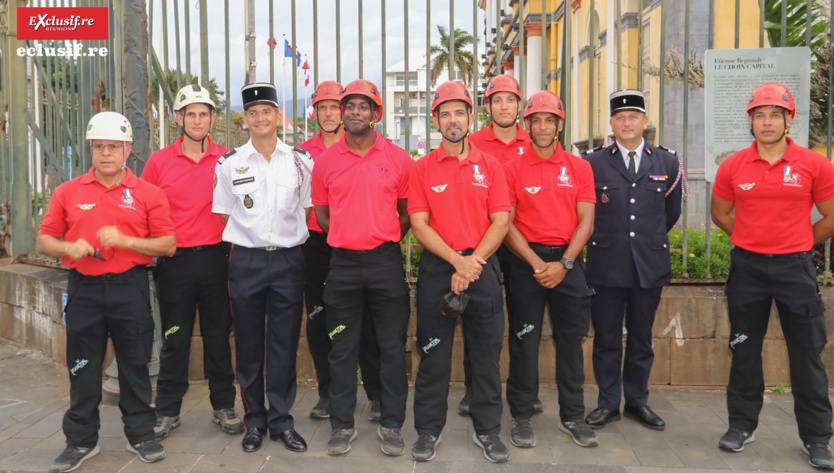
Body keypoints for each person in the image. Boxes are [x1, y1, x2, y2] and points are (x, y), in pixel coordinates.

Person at [39, 111, 175, 472]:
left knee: (134, 365)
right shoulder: (67, 192)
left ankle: (142, 434)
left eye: (114, 146)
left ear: (128, 149)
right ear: (91, 149)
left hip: (129, 288)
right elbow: (44, 239)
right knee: (82, 366)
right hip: (84, 289)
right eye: (99, 146)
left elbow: (168, 245)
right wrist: (69, 248)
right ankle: (80, 441)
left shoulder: (148, 193)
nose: (106, 153)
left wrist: (126, 240)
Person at [711, 82, 834, 470]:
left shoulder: (814, 164)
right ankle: (740, 426)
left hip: (795, 269)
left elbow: (831, 215)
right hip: (748, 269)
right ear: (750, 120)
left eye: (774, 115)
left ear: (788, 119)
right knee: (744, 349)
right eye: (759, 115)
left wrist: (799, 243)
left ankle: (816, 438)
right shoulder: (733, 165)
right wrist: (749, 239)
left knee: (807, 355)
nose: (766, 122)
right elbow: (720, 213)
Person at [409, 81, 511, 463]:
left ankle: (488, 432)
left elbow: (501, 221)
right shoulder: (422, 169)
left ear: (471, 116)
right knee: (432, 355)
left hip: (482, 266)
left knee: (485, 356)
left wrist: (471, 265)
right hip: (440, 267)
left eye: (459, 112)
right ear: (436, 119)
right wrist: (457, 262)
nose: (453, 120)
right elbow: (419, 224)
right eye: (445, 113)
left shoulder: (491, 166)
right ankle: (427, 432)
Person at [311, 79, 412, 457]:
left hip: (385, 264)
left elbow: (405, 215)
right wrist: (350, 236)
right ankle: (341, 425)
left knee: (390, 346)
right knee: (342, 347)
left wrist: (381, 237)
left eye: (362, 106)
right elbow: (322, 216)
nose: (354, 112)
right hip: (343, 267)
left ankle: (392, 425)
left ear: (375, 114)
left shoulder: (398, 158)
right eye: (348, 105)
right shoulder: (326, 162)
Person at [212, 82, 311, 454]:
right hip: (247, 260)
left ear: (276, 115)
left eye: (266, 110)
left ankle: (282, 421)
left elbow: (306, 206)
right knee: (250, 344)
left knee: (284, 344)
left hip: (287, 259)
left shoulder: (301, 161)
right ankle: (254, 420)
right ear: (245, 119)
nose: (260, 118)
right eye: (253, 113)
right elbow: (223, 211)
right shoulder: (230, 163)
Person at [143, 84, 242, 441]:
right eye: (190, 114)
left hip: (218, 259)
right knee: (175, 338)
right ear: (178, 118)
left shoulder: (228, 160)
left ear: (212, 119)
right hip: (175, 262)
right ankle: (167, 410)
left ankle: (223, 406)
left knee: (218, 337)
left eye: (203, 114)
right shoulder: (159, 162)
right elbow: (144, 208)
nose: (197, 120)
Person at [584, 90, 684, 432]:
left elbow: (670, 214)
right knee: (606, 338)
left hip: (648, 265)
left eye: (633, 117)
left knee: (642, 337)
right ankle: (608, 403)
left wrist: (645, 242)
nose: (627, 123)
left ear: (645, 122)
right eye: (620, 118)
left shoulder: (668, 162)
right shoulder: (592, 163)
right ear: (611, 124)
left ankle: (637, 402)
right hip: (606, 265)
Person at [503, 90, 596, 449]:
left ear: (559, 124)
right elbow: (506, 223)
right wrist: (537, 263)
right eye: (536, 120)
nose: (542, 127)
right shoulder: (511, 169)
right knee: (524, 341)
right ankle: (521, 415)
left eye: (549, 120)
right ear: (526, 125)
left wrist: (565, 263)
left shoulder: (579, 167)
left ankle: (573, 416)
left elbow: (586, 221)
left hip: (569, 263)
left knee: (571, 343)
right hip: (527, 265)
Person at [299, 80, 383, 422]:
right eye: (323, 107)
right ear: (315, 112)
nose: (330, 113)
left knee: (367, 323)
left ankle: (376, 394)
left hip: (357, 246)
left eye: (336, 106)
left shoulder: (366, 146)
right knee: (319, 322)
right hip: (318, 246)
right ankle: (328, 395)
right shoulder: (302, 154)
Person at [466, 74, 541, 416]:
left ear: (519, 105)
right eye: (497, 100)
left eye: (510, 99)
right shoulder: (474, 142)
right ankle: (473, 389)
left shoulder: (536, 139)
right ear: (488, 106)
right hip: (488, 243)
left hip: (525, 244)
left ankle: (525, 390)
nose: (504, 106)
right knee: (478, 319)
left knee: (525, 322)